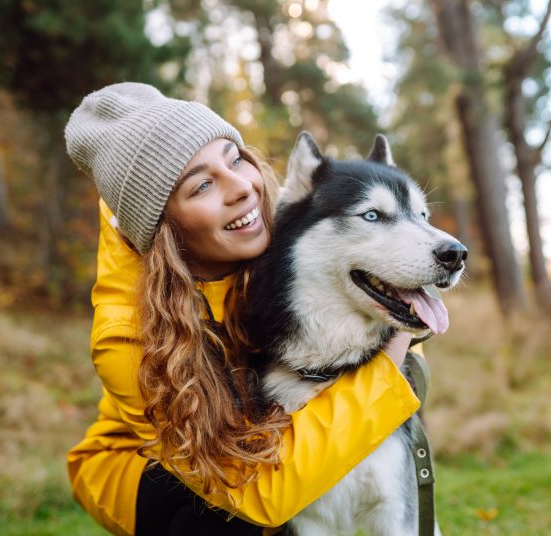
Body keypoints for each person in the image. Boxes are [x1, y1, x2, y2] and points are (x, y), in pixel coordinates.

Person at [64, 82, 420, 536]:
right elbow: (256, 491)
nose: (242, 189)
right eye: (203, 185)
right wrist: (392, 358)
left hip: (257, 434)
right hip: (146, 465)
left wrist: (404, 307)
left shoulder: (277, 234)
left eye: (235, 159)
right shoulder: (126, 337)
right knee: (224, 525)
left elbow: (380, 291)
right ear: (163, 227)